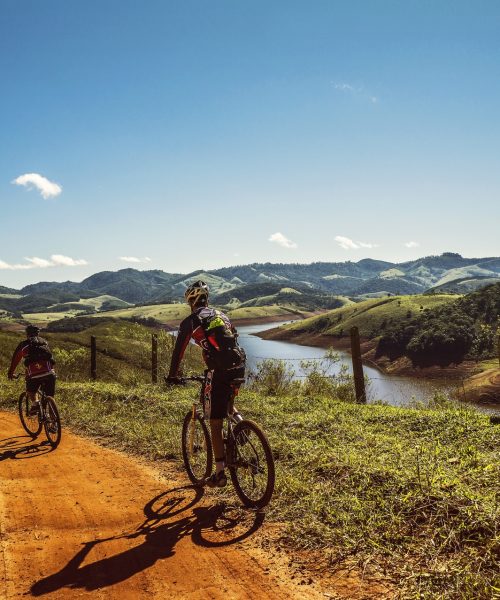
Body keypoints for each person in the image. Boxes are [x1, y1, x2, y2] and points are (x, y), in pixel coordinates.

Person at [166, 280, 246, 488]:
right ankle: (243, 426)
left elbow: (179, 351)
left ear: (191, 302)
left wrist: (172, 375)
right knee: (227, 404)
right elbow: (234, 339)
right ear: (206, 300)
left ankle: (219, 474)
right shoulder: (221, 315)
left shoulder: (191, 321)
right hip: (239, 365)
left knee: (215, 421)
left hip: (218, 371)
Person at [7, 324, 56, 415]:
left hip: (34, 375)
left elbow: (15, 360)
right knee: (50, 396)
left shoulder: (23, 345)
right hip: (50, 373)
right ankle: (54, 423)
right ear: (38, 333)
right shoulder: (44, 342)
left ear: (27, 334)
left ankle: (35, 404)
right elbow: (51, 359)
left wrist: (11, 373)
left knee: (30, 391)